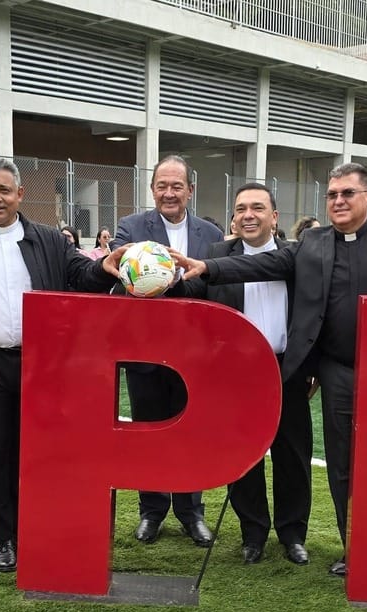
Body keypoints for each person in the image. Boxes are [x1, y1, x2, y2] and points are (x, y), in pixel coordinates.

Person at [176, 162, 367, 576]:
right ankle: (354, 550)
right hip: (337, 374)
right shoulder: (312, 243)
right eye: (332, 195)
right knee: (341, 465)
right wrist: (208, 268)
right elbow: (264, 265)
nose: (339, 201)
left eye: (347, 193)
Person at [0, 156, 120, 574]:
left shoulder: (49, 239)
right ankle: (3, 537)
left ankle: (41, 527)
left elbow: (81, 275)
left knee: (42, 452)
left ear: (21, 194)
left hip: (42, 366)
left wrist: (104, 267)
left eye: (4, 189)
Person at [177, 183, 311, 566]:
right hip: (236, 376)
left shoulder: (297, 255)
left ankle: (292, 535)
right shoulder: (217, 255)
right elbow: (195, 302)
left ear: (275, 217)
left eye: (257, 207)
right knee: (243, 459)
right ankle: (253, 534)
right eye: (240, 208)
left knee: (292, 457)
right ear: (234, 217)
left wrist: (309, 366)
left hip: (287, 371)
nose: (247, 214)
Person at [110, 154, 224, 548]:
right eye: (163, 185)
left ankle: (192, 513)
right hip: (145, 352)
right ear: (153, 189)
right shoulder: (131, 227)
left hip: (193, 355)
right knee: (148, 434)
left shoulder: (212, 233)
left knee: (192, 436)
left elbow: (216, 285)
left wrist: (177, 278)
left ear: (190, 190)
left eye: (177, 186)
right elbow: (125, 270)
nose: (169, 193)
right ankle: (152, 512)